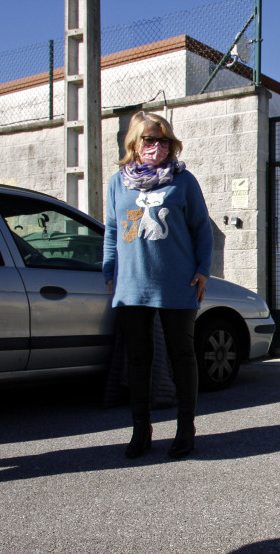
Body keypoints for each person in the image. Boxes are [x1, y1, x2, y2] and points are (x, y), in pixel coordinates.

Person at [102, 111, 214, 460]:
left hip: (177, 282)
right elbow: (111, 230)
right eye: (149, 139)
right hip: (132, 285)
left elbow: (201, 228)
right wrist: (109, 272)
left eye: (163, 140)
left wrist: (202, 270)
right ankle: (141, 430)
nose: (156, 146)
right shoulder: (117, 183)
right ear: (134, 143)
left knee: (182, 356)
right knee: (139, 359)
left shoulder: (183, 180)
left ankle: (185, 428)